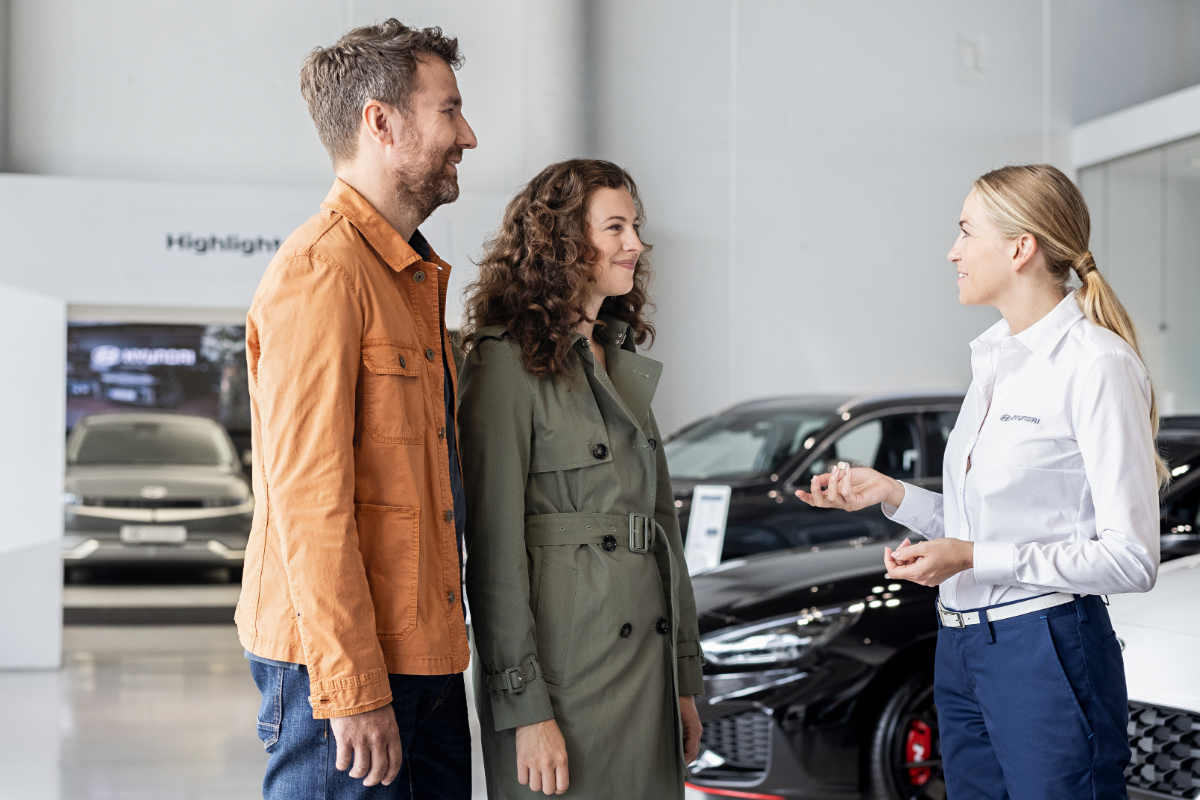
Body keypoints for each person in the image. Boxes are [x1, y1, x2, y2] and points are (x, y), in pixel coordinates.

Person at [800, 164, 1164, 800]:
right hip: (962, 648)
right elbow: (985, 525)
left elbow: (1131, 559)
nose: (953, 250)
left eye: (967, 231)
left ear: (1021, 248)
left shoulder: (1097, 365)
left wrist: (972, 557)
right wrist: (891, 494)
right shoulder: (994, 361)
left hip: (1045, 648)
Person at [235, 20, 478, 799]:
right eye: (449, 111)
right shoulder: (321, 272)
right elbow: (307, 502)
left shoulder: (406, 279)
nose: (467, 135)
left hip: (424, 656)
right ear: (382, 121)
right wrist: (351, 685)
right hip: (342, 671)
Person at [457, 159, 705, 798]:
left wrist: (681, 678)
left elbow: (661, 533)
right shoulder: (503, 363)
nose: (636, 244)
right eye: (615, 227)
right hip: (567, 687)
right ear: (563, 242)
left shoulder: (619, 359)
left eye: (636, 227)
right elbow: (492, 555)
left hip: (645, 677)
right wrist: (524, 708)